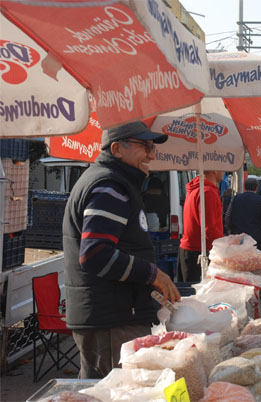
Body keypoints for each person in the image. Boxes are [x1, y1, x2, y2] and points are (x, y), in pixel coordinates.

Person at [63, 121, 181, 379]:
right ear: (117, 149)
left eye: (152, 147)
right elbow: (95, 254)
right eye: (145, 147)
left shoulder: (114, 183)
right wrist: (154, 274)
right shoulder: (110, 186)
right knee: (119, 390)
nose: (152, 155)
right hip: (112, 319)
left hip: (112, 315)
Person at [178, 171, 225, 282]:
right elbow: (210, 230)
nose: (223, 173)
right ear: (215, 170)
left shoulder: (198, 188)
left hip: (190, 251)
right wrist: (227, 245)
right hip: (199, 253)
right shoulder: (207, 192)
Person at [225, 178, 261, 252]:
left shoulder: (235, 199)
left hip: (238, 237)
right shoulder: (260, 200)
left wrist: (228, 229)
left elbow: (227, 216)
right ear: (256, 187)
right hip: (255, 238)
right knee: (255, 258)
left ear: (245, 187)